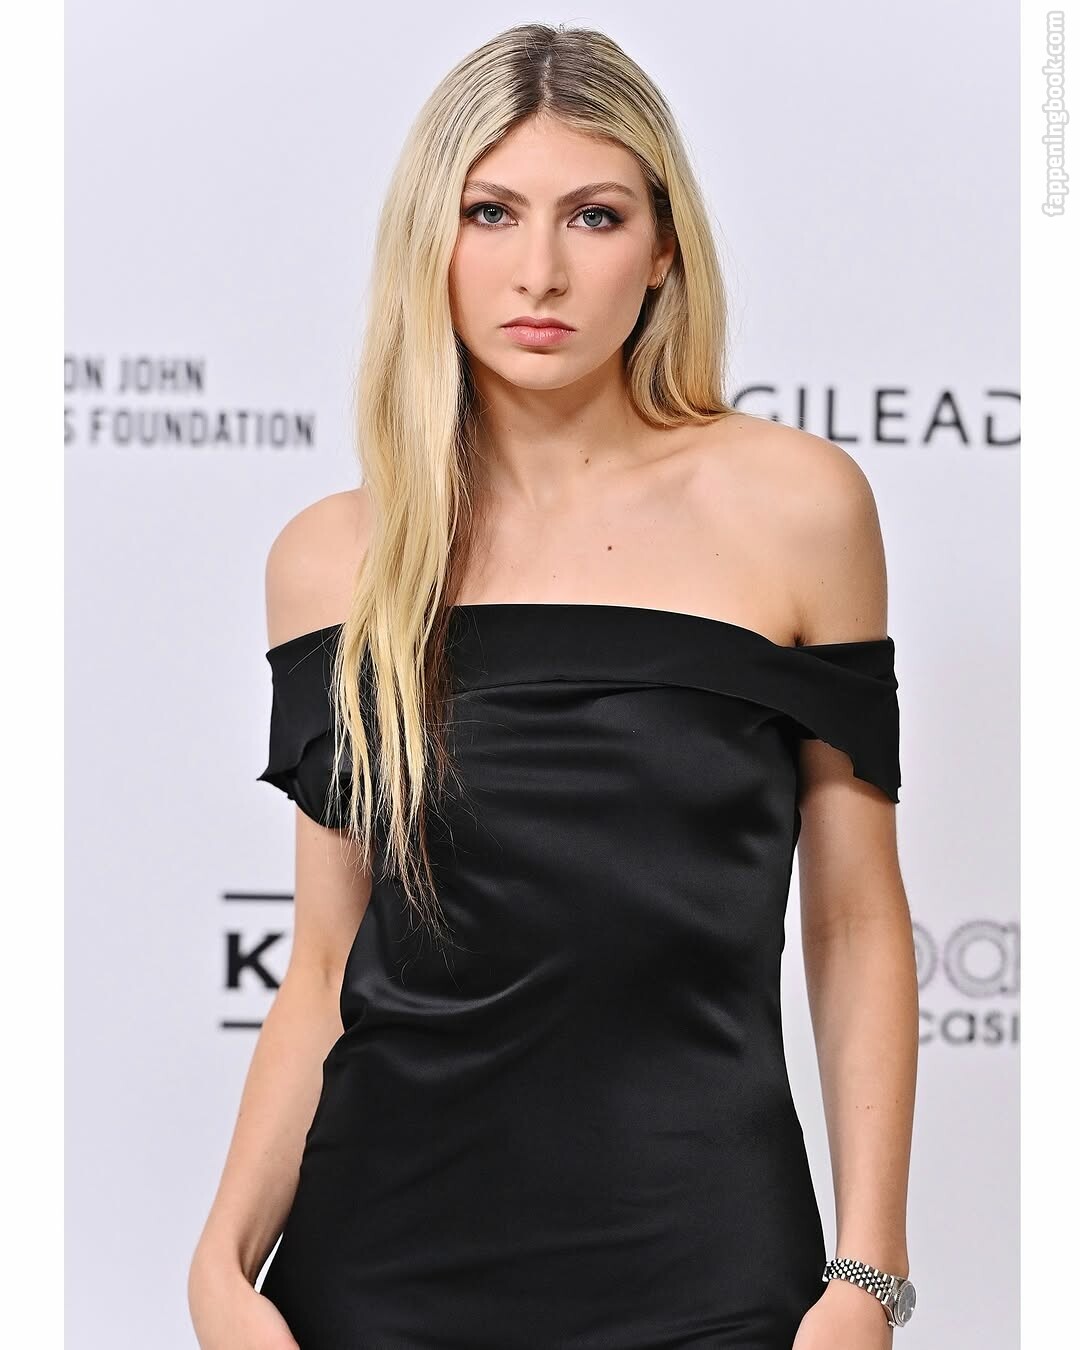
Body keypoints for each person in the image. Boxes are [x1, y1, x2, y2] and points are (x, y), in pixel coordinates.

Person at [188, 21, 918, 1350]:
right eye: (491, 212)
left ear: (664, 248)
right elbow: (328, 962)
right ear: (432, 239)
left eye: (594, 215)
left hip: (710, 1264)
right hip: (377, 1275)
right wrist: (221, 1266)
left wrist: (866, 1275)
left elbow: (858, 919)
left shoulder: (798, 509)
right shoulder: (333, 558)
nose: (541, 270)